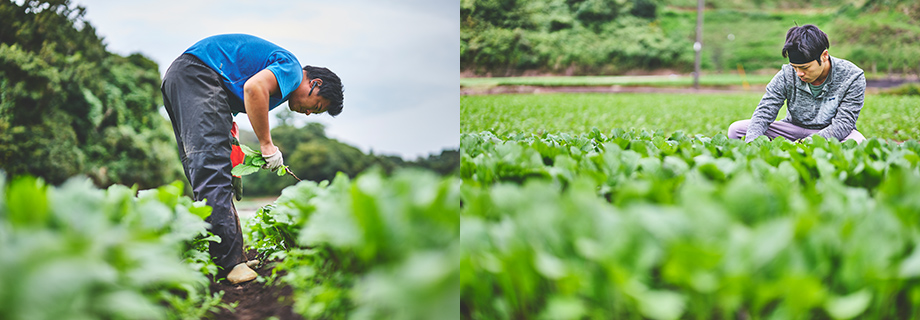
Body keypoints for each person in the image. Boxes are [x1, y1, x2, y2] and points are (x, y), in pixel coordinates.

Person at [161, 34, 344, 283]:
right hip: (197, 76)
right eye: (317, 105)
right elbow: (253, 89)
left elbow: (238, 89)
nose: (310, 113)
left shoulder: (282, 74)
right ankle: (231, 265)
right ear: (316, 83)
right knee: (211, 169)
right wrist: (267, 145)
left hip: (189, 78)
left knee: (207, 167)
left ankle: (228, 257)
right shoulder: (291, 70)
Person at [727, 24, 866, 143]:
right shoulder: (787, 74)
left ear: (824, 56)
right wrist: (753, 143)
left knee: (857, 142)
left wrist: (806, 143)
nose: (799, 73)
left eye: (805, 68)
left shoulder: (852, 76)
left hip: (830, 132)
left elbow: (844, 123)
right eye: (794, 67)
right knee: (736, 130)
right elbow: (765, 112)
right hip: (793, 129)